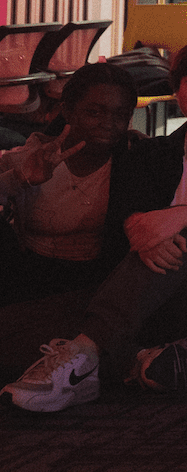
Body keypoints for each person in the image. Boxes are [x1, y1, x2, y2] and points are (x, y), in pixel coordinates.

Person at [2, 40, 187, 412]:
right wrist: (143, 231)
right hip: (142, 296)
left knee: (184, 240)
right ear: (177, 90)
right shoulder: (152, 154)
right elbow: (129, 218)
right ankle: (136, 360)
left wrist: (180, 216)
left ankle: (85, 354)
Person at [0, 64, 141, 306]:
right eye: (95, 112)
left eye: (120, 115)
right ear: (68, 111)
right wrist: (20, 178)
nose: (108, 123)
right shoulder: (36, 155)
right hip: (28, 279)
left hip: (97, 284)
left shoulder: (134, 161)